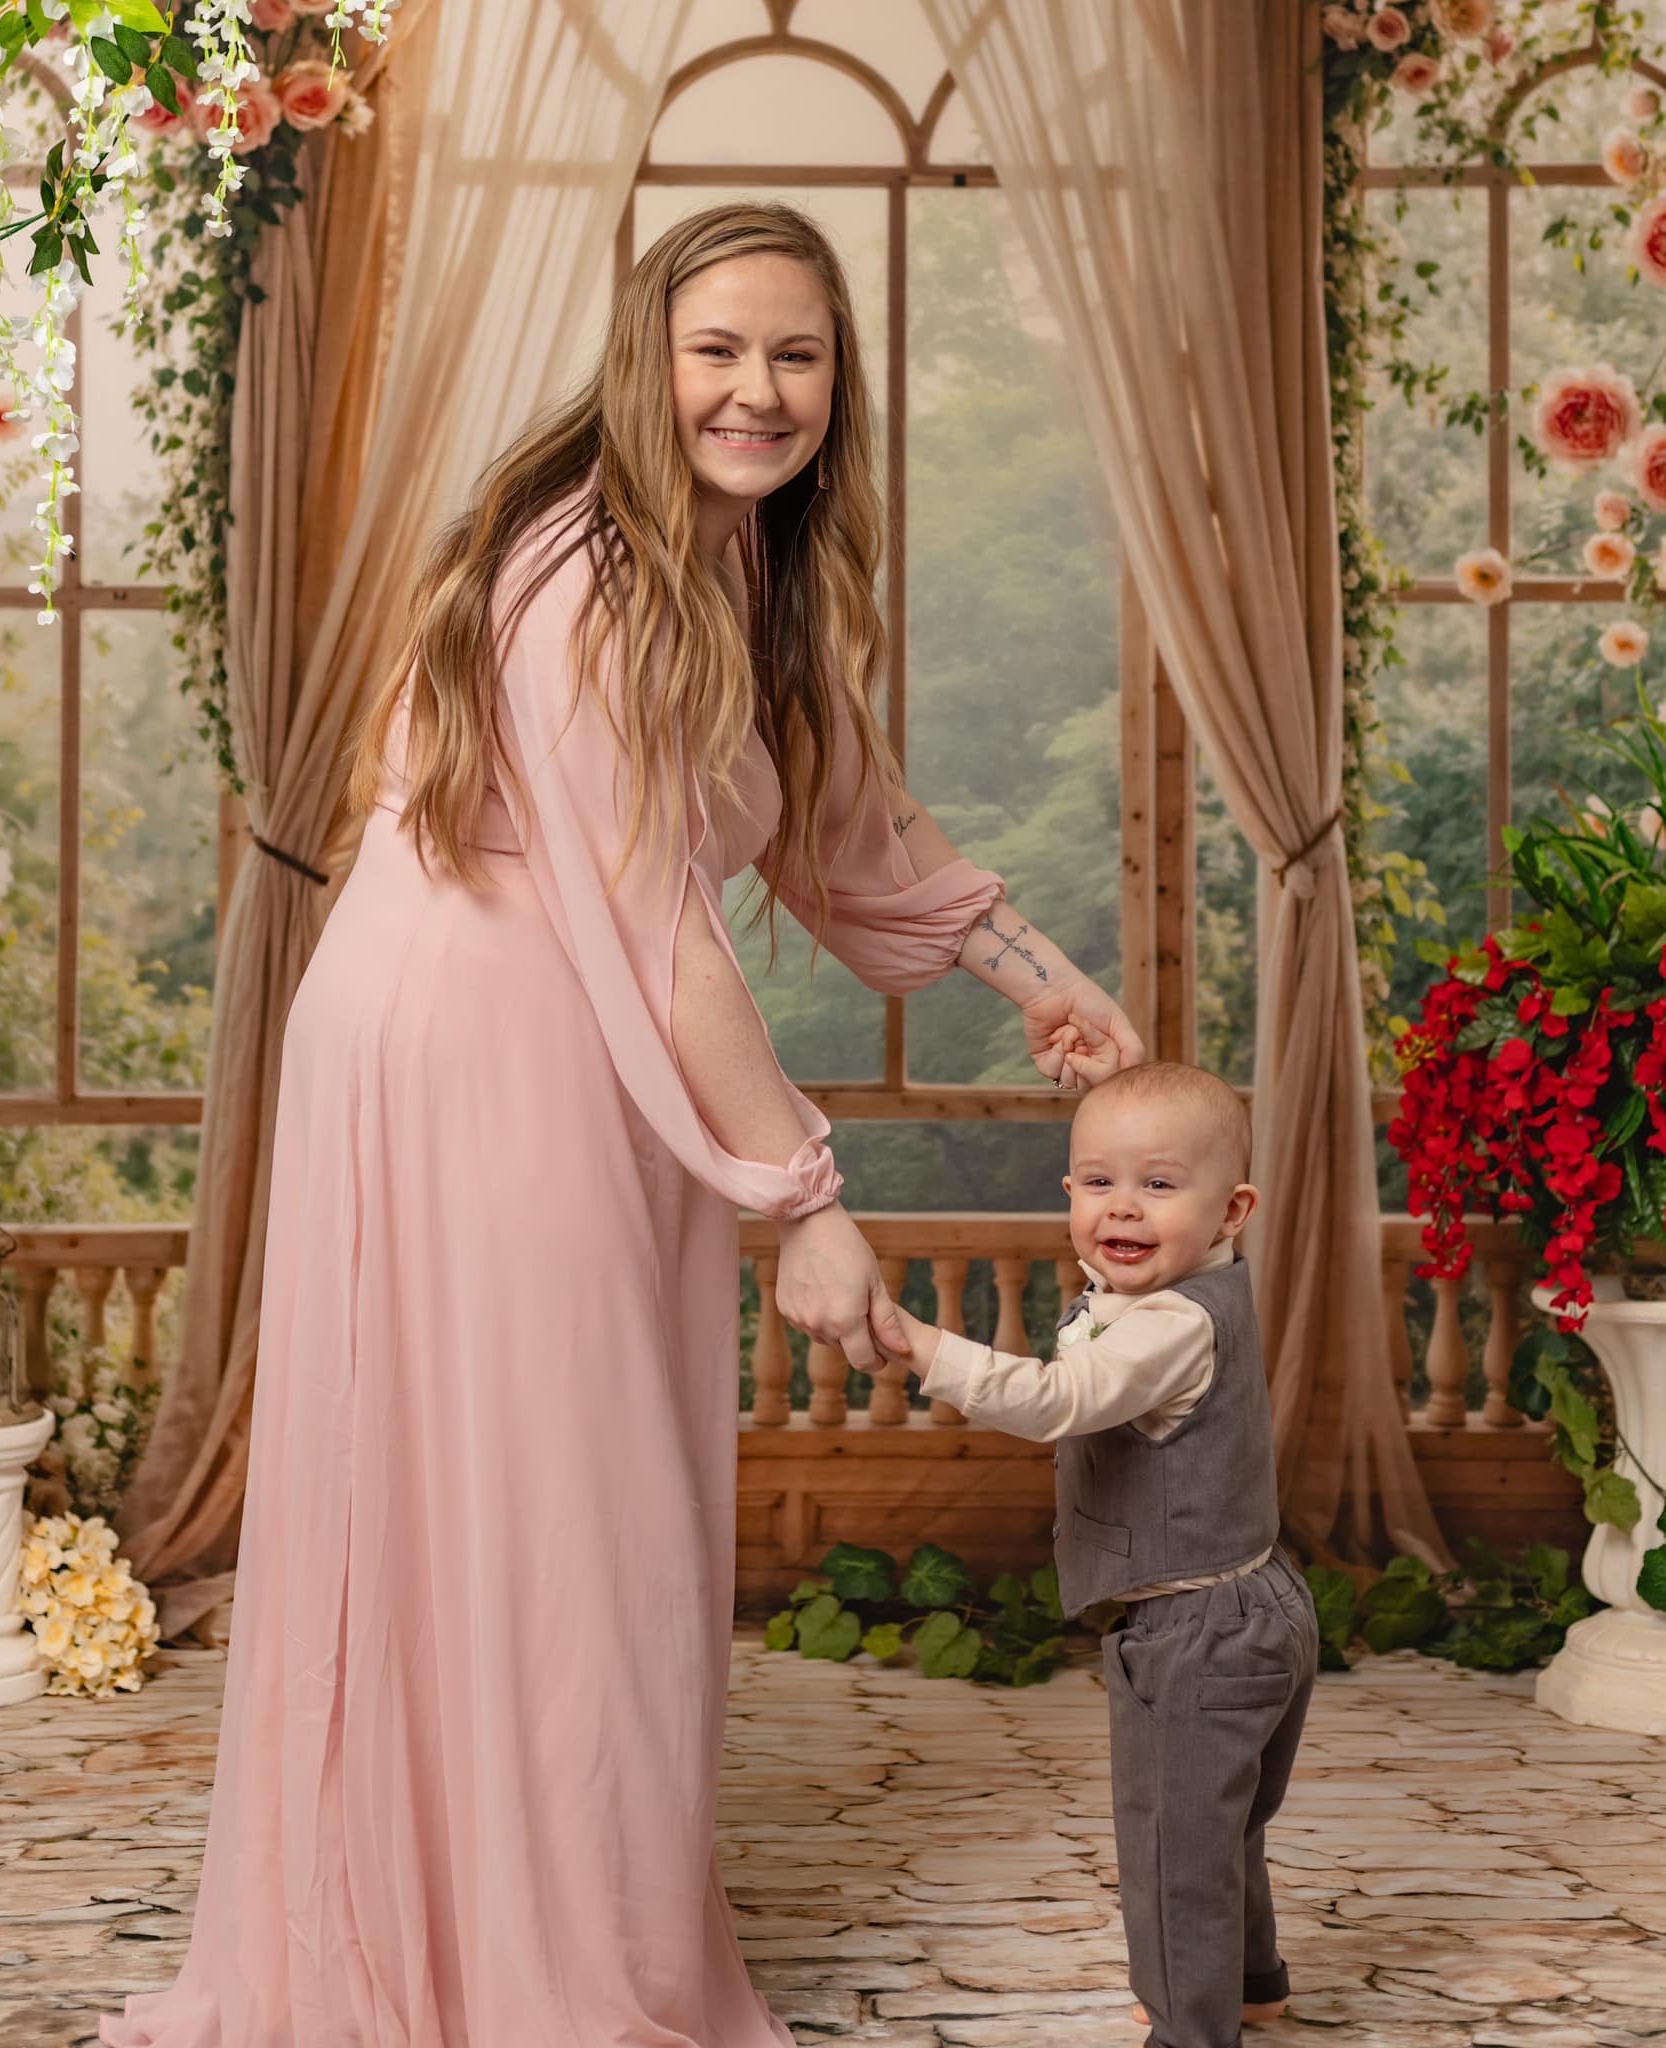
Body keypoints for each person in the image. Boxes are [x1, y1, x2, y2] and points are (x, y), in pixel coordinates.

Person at [101, 201, 1142, 2048]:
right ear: (646, 365)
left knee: (565, 1503)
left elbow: (843, 822)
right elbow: (661, 931)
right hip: (476, 1042)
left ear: (840, 381)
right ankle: (518, 1962)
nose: (760, 388)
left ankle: (520, 1917)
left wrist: (1035, 969)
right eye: (720, 349)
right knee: (550, 1507)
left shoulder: (741, 563)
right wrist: (799, 1191)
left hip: (556, 1030)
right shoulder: (586, 575)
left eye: (799, 353)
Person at [877, 1061, 1318, 2048]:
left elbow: (1055, 1399)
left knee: (1172, 1844)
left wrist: (918, 1341)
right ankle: (1250, 1979)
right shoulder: (1178, 1290)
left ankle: (1188, 2028)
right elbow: (1100, 1321)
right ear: (1067, 1191)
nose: (1122, 1205)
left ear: (1232, 1208)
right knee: (1223, 1822)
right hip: (1254, 1597)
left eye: (1159, 1184)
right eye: (1096, 1180)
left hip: (1197, 1629)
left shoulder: (1166, 1323)